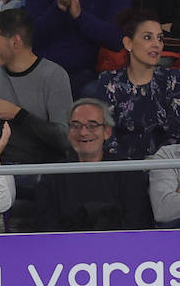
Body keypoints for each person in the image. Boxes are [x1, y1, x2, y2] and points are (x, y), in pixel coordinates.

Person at [34, 97, 152, 231]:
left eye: (92, 125)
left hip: (118, 248)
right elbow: (47, 228)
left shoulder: (129, 172)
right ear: (68, 132)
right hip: (68, 248)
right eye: (76, 125)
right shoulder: (52, 176)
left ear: (107, 132)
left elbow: (136, 224)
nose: (83, 132)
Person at [0, 8, 71, 167]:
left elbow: (64, 139)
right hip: (0, 168)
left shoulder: (54, 76)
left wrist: (18, 114)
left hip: (44, 169)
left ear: (15, 42)